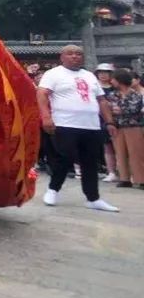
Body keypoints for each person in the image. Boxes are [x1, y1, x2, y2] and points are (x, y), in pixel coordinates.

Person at [37, 45, 119, 212]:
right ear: (62, 57)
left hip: (91, 125)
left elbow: (101, 100)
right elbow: (42, 94)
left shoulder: (89, 75)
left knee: (90, 162)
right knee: (64, 158)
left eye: (78, 54)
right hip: (65, 123)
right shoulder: (53, 74)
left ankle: (93, 198)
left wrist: (109, 122)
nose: (75, 56)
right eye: (70, 53)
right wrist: (46, 117)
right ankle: (53, 189)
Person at [109, 69, 144, 189]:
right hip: (118, 126)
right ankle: (124, 178)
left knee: (136, 153)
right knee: (120, 152)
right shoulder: (112, 95)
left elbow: (133, 109)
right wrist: (119, 110)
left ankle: (141, 179)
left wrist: (119, 110)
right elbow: (112, 110)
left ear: (120, 80)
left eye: (114, 79)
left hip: (134, 126)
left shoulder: (136, 94)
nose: (112, 81)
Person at [94, 64, 119, 182]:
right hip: (99, 120)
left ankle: (123, 171)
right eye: (100, 72)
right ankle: (111, 172)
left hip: (117, 119)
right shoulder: (94, 87)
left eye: (106, 72)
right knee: (107, 147)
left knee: (119, 146)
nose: (103, 75)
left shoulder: (116, 87)